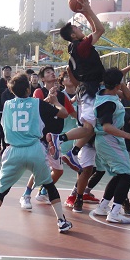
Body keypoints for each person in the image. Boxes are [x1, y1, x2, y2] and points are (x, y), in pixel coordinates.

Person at [0, 72, 71, 234]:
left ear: (12, 91)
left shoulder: (7, 104)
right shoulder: (37, 103)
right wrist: (55, 102)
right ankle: (62, 221)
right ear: (29, 89)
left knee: (2, 190)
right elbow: (63, 113)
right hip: (34, 149)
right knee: (49, 185)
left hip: (13, 151)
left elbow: (22, 109)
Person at [89, 67, 130, 224]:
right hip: (108, 139)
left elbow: (129, 96)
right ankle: (114, 212)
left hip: (109, 139)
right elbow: (107, 127)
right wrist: (129, 136)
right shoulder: (107, 103)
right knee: (126, 174)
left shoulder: (106, 92)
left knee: (120, 174)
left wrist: (124, 74)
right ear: (118, 84)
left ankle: (103, 206)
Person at [59, 0, 108, 167]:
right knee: (88, 128)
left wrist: (86, 13)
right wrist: (89, 10)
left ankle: (73, 152)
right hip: (90, 90)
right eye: (77, 28)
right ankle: (60, 139)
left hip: (87, 90)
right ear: (73, 35)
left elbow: (95, 30)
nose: (81, 29)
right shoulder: (81, 47)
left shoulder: (75, 48)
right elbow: (100, 30)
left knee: (92, 127)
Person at [19, 66, 76, 210]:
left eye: (52, 71)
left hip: (55, 138)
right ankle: (26, 195)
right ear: (43, 78)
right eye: (48, 72)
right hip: (42, 137)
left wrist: (85, 120)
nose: (52, 73)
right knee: (40, 168)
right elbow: (36, 109)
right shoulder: (39, 92)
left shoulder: (62, 96)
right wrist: (48, 99)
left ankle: (43, 191)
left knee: (58, 171)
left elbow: (69, 113)